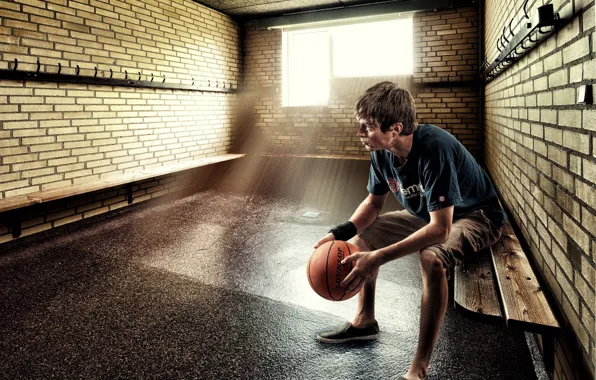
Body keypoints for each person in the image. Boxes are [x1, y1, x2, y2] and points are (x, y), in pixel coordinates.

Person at [313, 81, 507, 380]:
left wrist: (377, 258)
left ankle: (419, 368)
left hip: (476, 216)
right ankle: (365, 321)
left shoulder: (435, 148)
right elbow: (373, 204)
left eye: (367, 127)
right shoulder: (381, 152)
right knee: (365, 237)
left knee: (431, 258)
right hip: (428, 214)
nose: (360, 134)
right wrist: (339, 233)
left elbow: (440, 230)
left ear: (396, 128)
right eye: (360, 125)